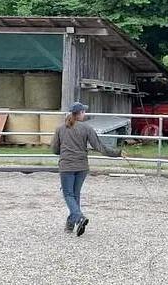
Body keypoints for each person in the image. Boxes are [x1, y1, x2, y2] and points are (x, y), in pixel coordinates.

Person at [51, 102, 122, 237]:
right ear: (80, 113)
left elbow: (54, 149)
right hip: (82, 166)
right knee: (75, 194)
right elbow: (99, 147)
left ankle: (78, 217)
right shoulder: (87, 128)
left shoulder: (60, 129)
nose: (85, 114)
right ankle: (71, 225)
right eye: (84, 112)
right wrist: (117, 153)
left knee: (68, 194)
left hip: (66, 166)